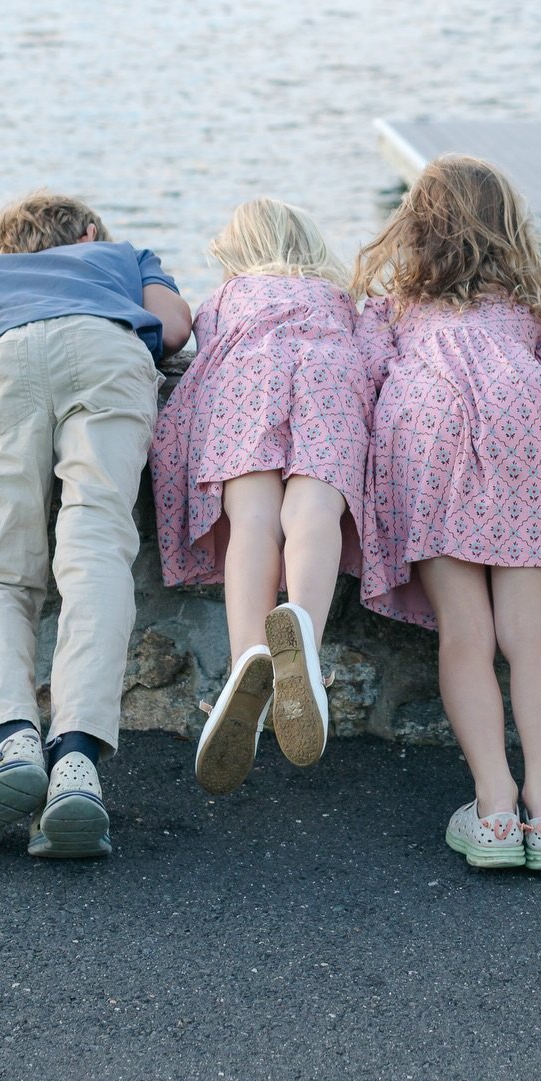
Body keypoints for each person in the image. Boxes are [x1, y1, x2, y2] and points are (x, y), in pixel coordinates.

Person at [0, 189, 192, 861]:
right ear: (88, 232)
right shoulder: (124, 255)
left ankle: (8, 741)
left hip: (4, 360)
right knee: (97, 551)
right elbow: (174, 330)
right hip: (106, 353)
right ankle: (76, 761)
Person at [354, 157, 541, 872]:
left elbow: (364, 380)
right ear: (508, 227)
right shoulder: (530, 313)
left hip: (429, 430)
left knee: (466, 633)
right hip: (525, 430)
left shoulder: (394, 308)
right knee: (530, 631)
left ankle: (494, 809)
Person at [151, 198, 370, 795]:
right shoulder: (341, 299)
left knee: (251, 518)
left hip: (248, 377)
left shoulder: (223, 300)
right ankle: (303, 644)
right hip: (330, 373)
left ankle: (249, 654)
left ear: (234, 252)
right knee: (315, 508)